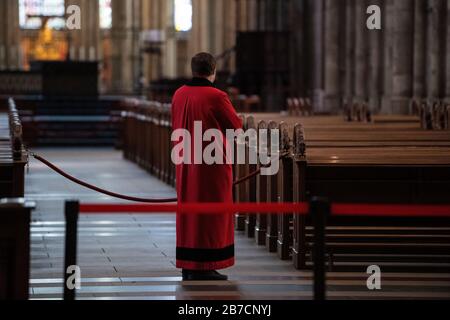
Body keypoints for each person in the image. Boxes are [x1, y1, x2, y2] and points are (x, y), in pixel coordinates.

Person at [172, 52, 242, 281]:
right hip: (212, 165)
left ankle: (189, 264)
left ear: (193, 70)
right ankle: (207, 265)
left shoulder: (179, 94)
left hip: (185, 161)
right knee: (212, 215)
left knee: (190, 214)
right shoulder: (216, 96)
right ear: (213, 70)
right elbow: (235, 126)